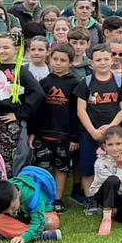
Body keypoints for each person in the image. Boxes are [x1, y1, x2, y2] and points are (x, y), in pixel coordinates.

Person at [0, 35, 45, 171]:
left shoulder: (21, 71)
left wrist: (20, 114)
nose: (2, 51)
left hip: (10, 123)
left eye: (6, 47)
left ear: (16, 49)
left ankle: (9, 189)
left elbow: (38, 93)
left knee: (9, 160)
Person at [76, 44, 122, 213]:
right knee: (87, 165)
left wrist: (111, 127)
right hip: (89, 132)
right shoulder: (86, 83)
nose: (103, 62)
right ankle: (90, 199)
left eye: (106, 59)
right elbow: (80, 110)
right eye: (98, 60)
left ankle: (115, 197)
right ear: (91, 62)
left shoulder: (120, 83)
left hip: (113, 134)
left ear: (112, 60)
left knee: (114, 163)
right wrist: (92, 131)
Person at [32, 44, 81, 210]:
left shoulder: (76, 84)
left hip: (65, 136)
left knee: (62, 168)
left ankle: (58, 200)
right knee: (43, 168)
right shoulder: (44, 82)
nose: (58, 63)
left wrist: (75, 137)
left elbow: (77, 113)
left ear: (71, 63)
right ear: (49, 59)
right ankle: (43, 198)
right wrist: (33, 132)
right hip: (43, 134)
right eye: (55, 59)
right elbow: (36, 109)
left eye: (63, 60)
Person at [0, 167, 64, 243]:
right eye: (6, 211)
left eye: (13, 208)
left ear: (19, 194)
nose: (11, 213)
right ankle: (42, 236)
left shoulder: (33, 195)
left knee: (51, 222)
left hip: (41, 215)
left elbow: (39, 222)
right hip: (18, 221)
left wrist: (24, 238)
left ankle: (7, 235)